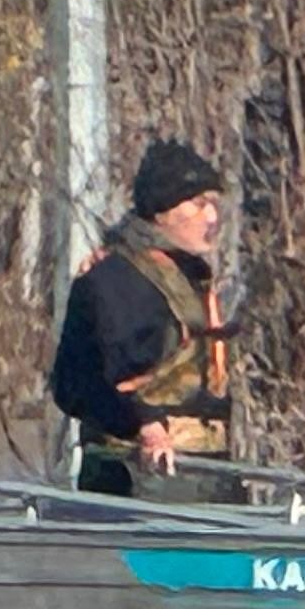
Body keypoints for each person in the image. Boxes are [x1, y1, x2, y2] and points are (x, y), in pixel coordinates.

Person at [47, 137, 237, 496]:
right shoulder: (116, 280)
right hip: (141, 482)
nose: (212, 218)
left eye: (214, 204)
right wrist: (142, 425)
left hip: (206, 477)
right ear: (161, 211)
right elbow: (77, 384)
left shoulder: (192, 276)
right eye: (198, 205)